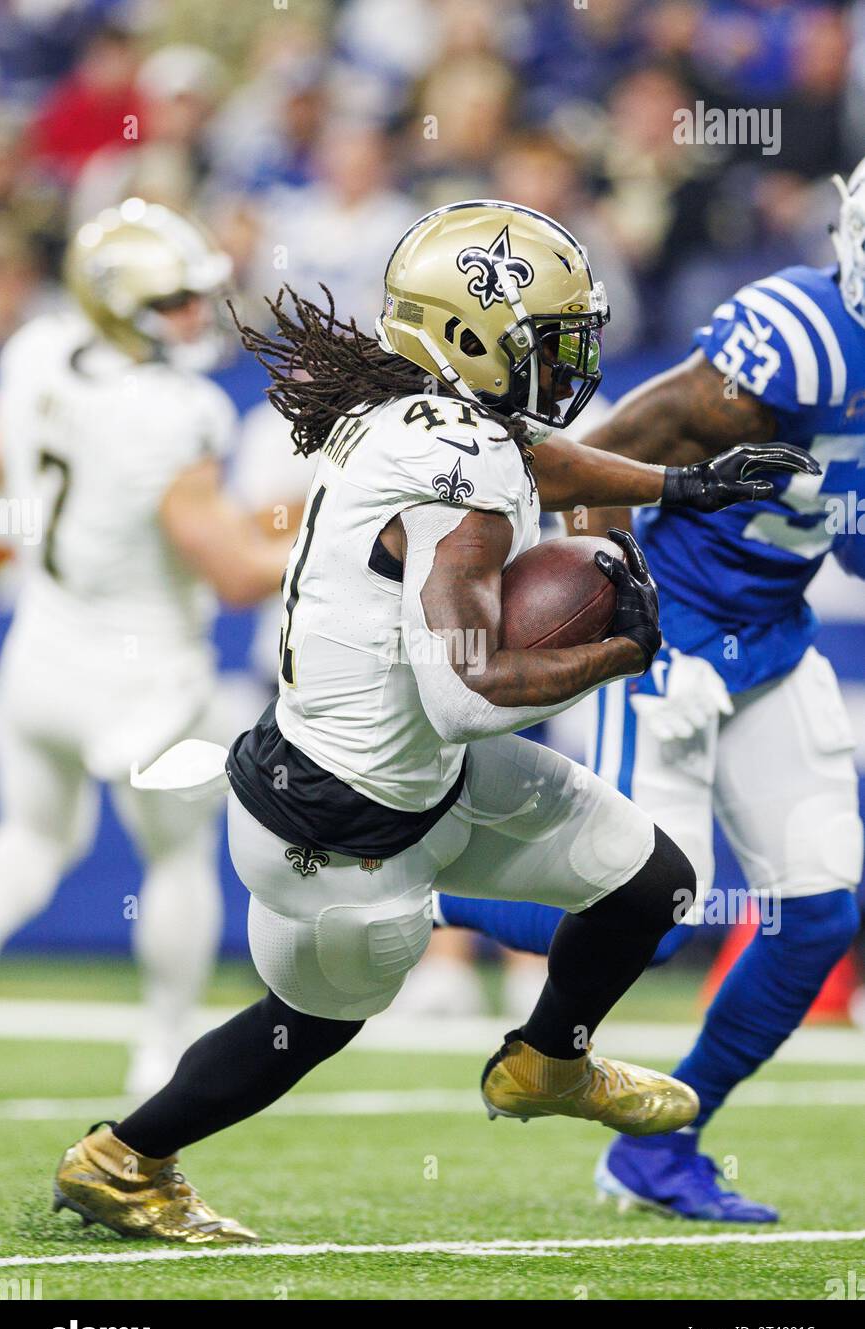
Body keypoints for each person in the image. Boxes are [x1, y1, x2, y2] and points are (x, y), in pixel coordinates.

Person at [52, 199, 813, 1243]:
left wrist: (682, 481)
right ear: (471, 339)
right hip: (339, 831)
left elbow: (534, 463)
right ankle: (124, 1158)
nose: (571, 359)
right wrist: (622, 649)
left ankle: (548, 1060)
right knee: (307, 1025)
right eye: (550, 340)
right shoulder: (454, 485)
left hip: (413, 777)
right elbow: (465, 691)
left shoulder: (421, 413)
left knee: (651, 879)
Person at [439, 163, 865, 1223]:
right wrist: (624, 613)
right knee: (650, 909)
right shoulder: (796, 340)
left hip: (771, 641)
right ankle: (414, 866)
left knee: (817, 915)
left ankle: (662, 1145)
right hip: (672, 633)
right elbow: (586, 462)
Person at [0, 198, 293, 1096]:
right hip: (143, 675)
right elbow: (238, 575)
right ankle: (162, 1049)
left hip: (42, 644)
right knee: (174, 856)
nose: (196, 317)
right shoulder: (180, 412)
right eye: (173, 304)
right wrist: (352, 534)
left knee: (30, 844)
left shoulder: (39, 349)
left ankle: (163, 1045)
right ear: (120, 306)